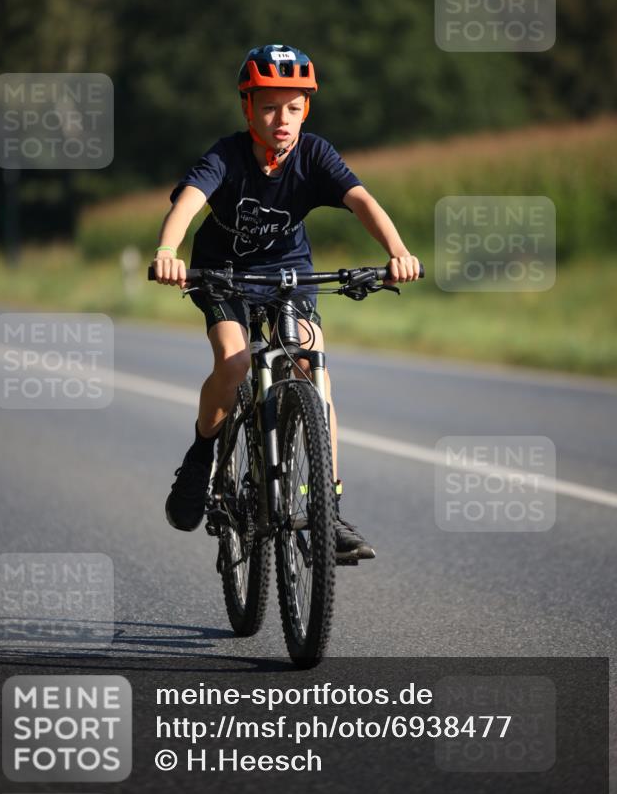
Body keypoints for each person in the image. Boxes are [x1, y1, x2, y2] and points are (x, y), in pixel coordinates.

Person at [153, 44, 420, 561]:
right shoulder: (227, 156)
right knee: (232, 362)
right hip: (223, 274)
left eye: (293, 107)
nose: (282, 119)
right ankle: (202, 454)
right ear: (247, 108)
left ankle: (326, 510)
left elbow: (361, 199)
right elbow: (188, 201)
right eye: (269, 107)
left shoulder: (314, 154)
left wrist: (398, 252)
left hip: (288, 276)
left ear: (307, 110)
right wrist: (168, 250)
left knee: (310, 366)